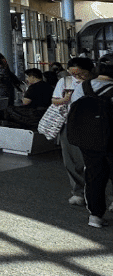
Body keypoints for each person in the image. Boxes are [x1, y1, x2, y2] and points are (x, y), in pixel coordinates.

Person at [53, 57, 94, 207]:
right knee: (71, 160)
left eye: (82, 74)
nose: (77, 77)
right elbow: (54, 100)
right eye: (74, 74)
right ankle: (78, 192)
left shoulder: (97, 82)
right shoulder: (65, 82)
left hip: (94, 125)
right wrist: (65, 99)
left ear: (90, 71)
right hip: (69, 124)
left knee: (97, 161)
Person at [77, 59, 113, 228]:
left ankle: (95, 216)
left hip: (89, 140)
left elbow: (73, 111)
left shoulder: (83, 87)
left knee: (94, 176)